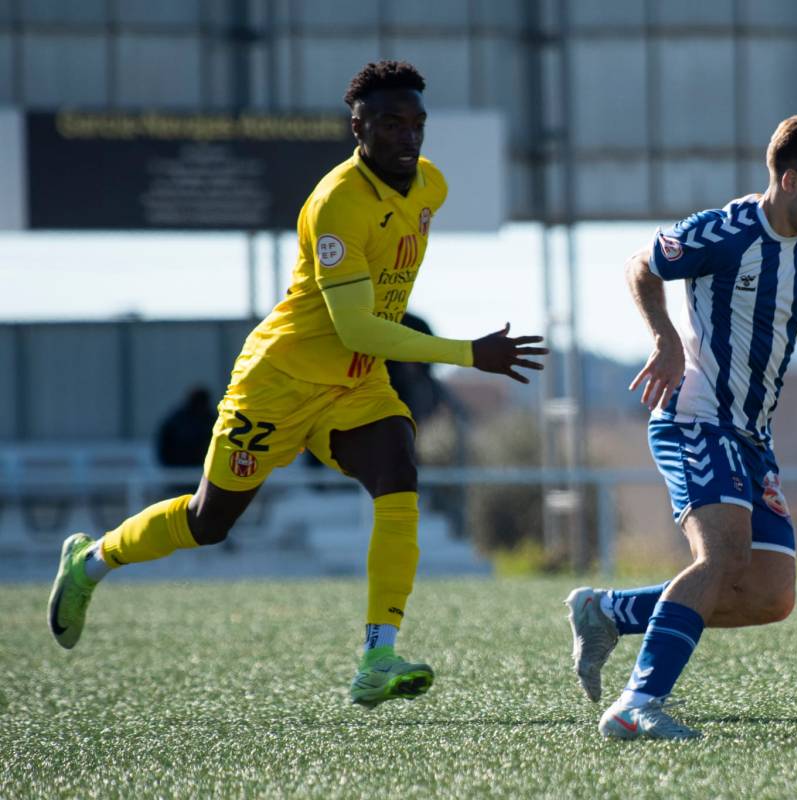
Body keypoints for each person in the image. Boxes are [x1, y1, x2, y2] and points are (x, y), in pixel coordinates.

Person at [47, 60, 547, 710]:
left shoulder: (431, 187)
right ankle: (90, 562)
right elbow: (359, 328)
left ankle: (378, 655)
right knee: (208, 521)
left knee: (399, 473)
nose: (408, 136)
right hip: (278, 382)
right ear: (357, 126)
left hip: (355, 388)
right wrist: (467, 353)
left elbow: (373, 325)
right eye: (390, 123)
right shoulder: (335, 202)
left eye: (417, 123)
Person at [565, 112, 797, 740]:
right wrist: (664, 339)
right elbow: (642, 265)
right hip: (693, 416)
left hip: (752, 436)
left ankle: (606, 611)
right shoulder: (726, 231)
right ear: (791, 182)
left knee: (771, 596)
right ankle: (637, 704)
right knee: (722, 556)